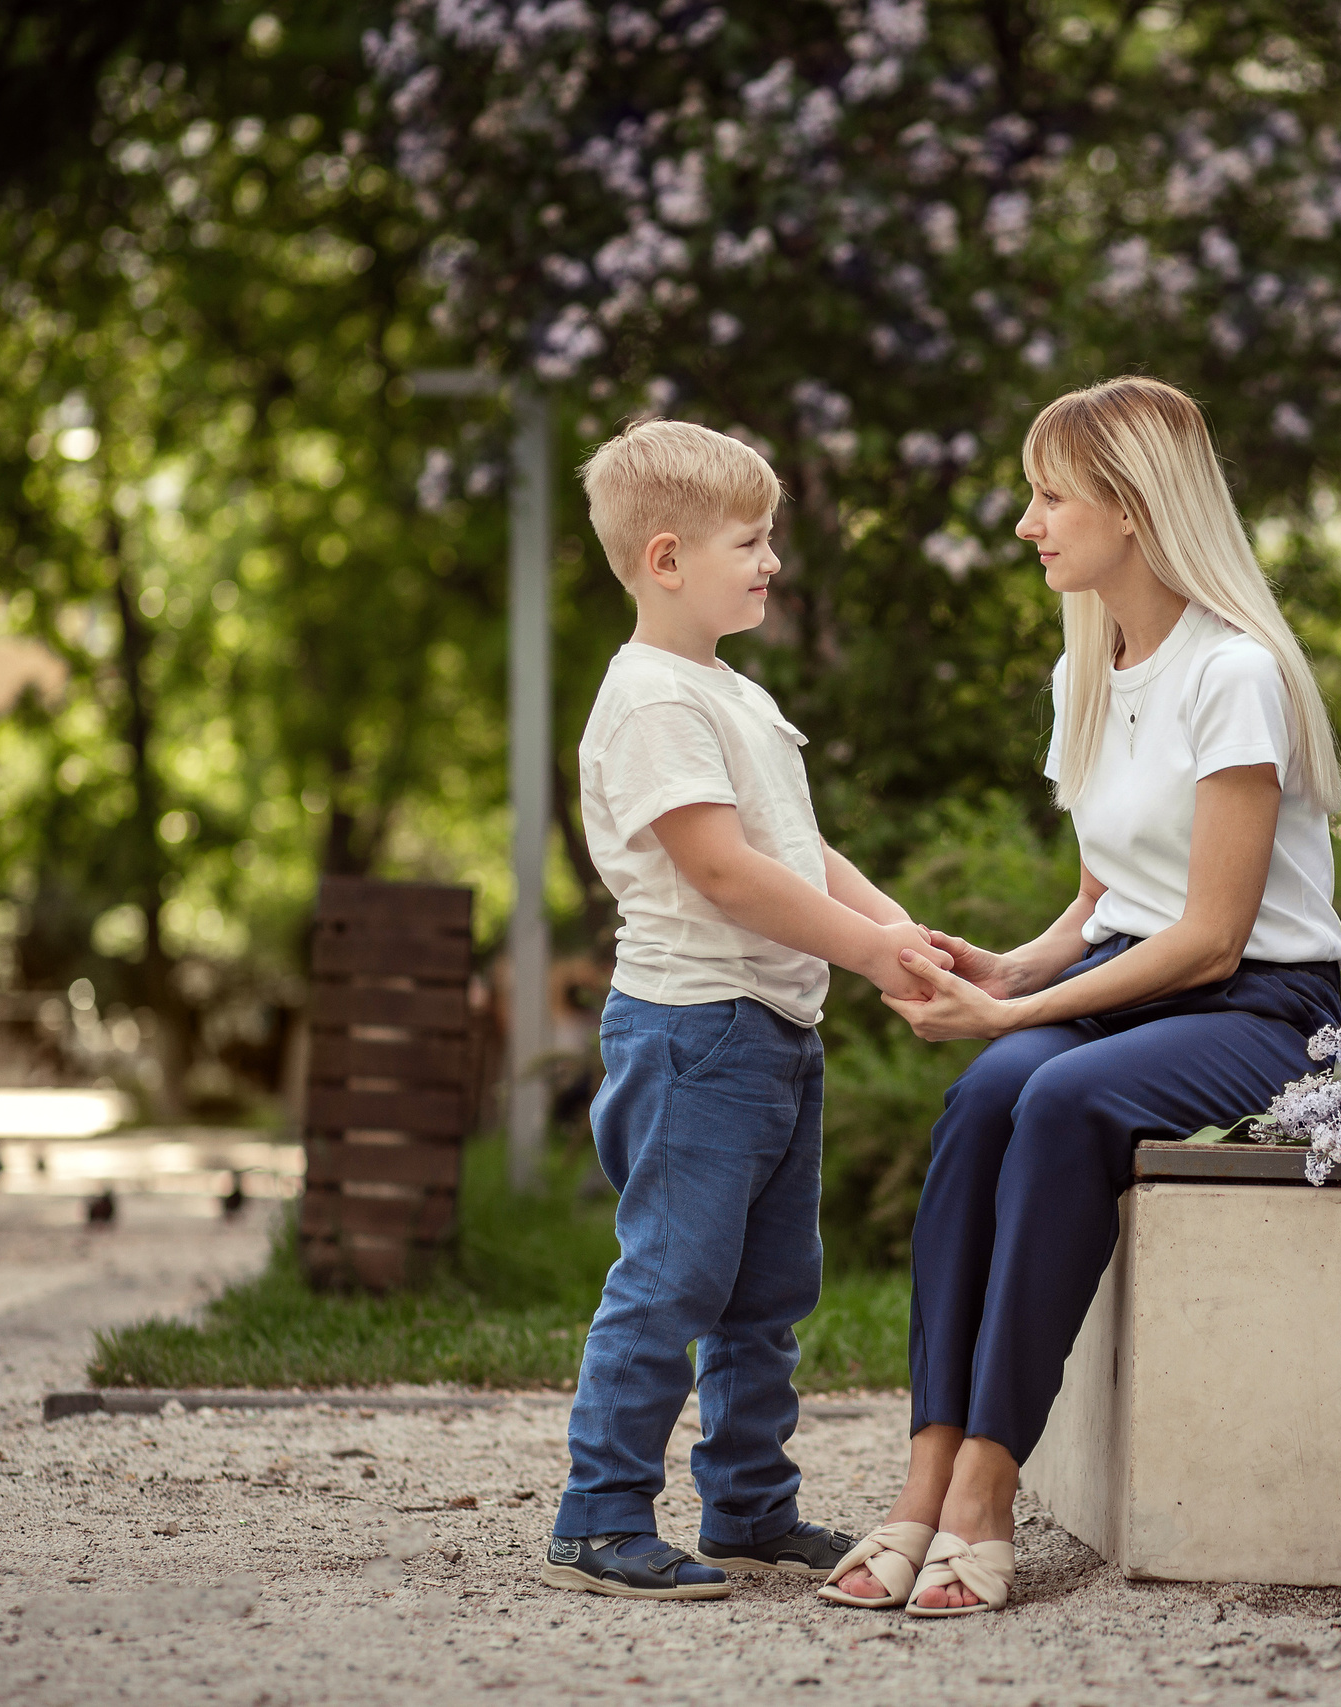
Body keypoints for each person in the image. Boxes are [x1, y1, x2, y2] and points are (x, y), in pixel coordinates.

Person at [819, 377, 1341, 1617]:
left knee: (1057, 1097)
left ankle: (986, 1488)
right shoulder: (1090, 673)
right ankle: (925, 1474)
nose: (1027, 524)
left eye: (1049, 496)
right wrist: (1012, 970)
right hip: (1128, 992)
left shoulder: (1235, 673)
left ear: (1132, 506)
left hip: (1260, 1011)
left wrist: (1020, 1014)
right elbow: (1104, 897)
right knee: (985, 1097)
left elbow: (1212, 937)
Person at [543, 419, 951, 1601]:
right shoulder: (650, 700)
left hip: (771, 1029)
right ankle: (598, 1517)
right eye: (751, 540)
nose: (772, 560)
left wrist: (900, 932)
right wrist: (870, 957)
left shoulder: (731, 693)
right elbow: (723, 872)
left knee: (768, 1293)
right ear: (666, 559)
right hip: (694, 1031)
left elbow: (795, 848)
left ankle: (748, 1507)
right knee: (671, 1280)